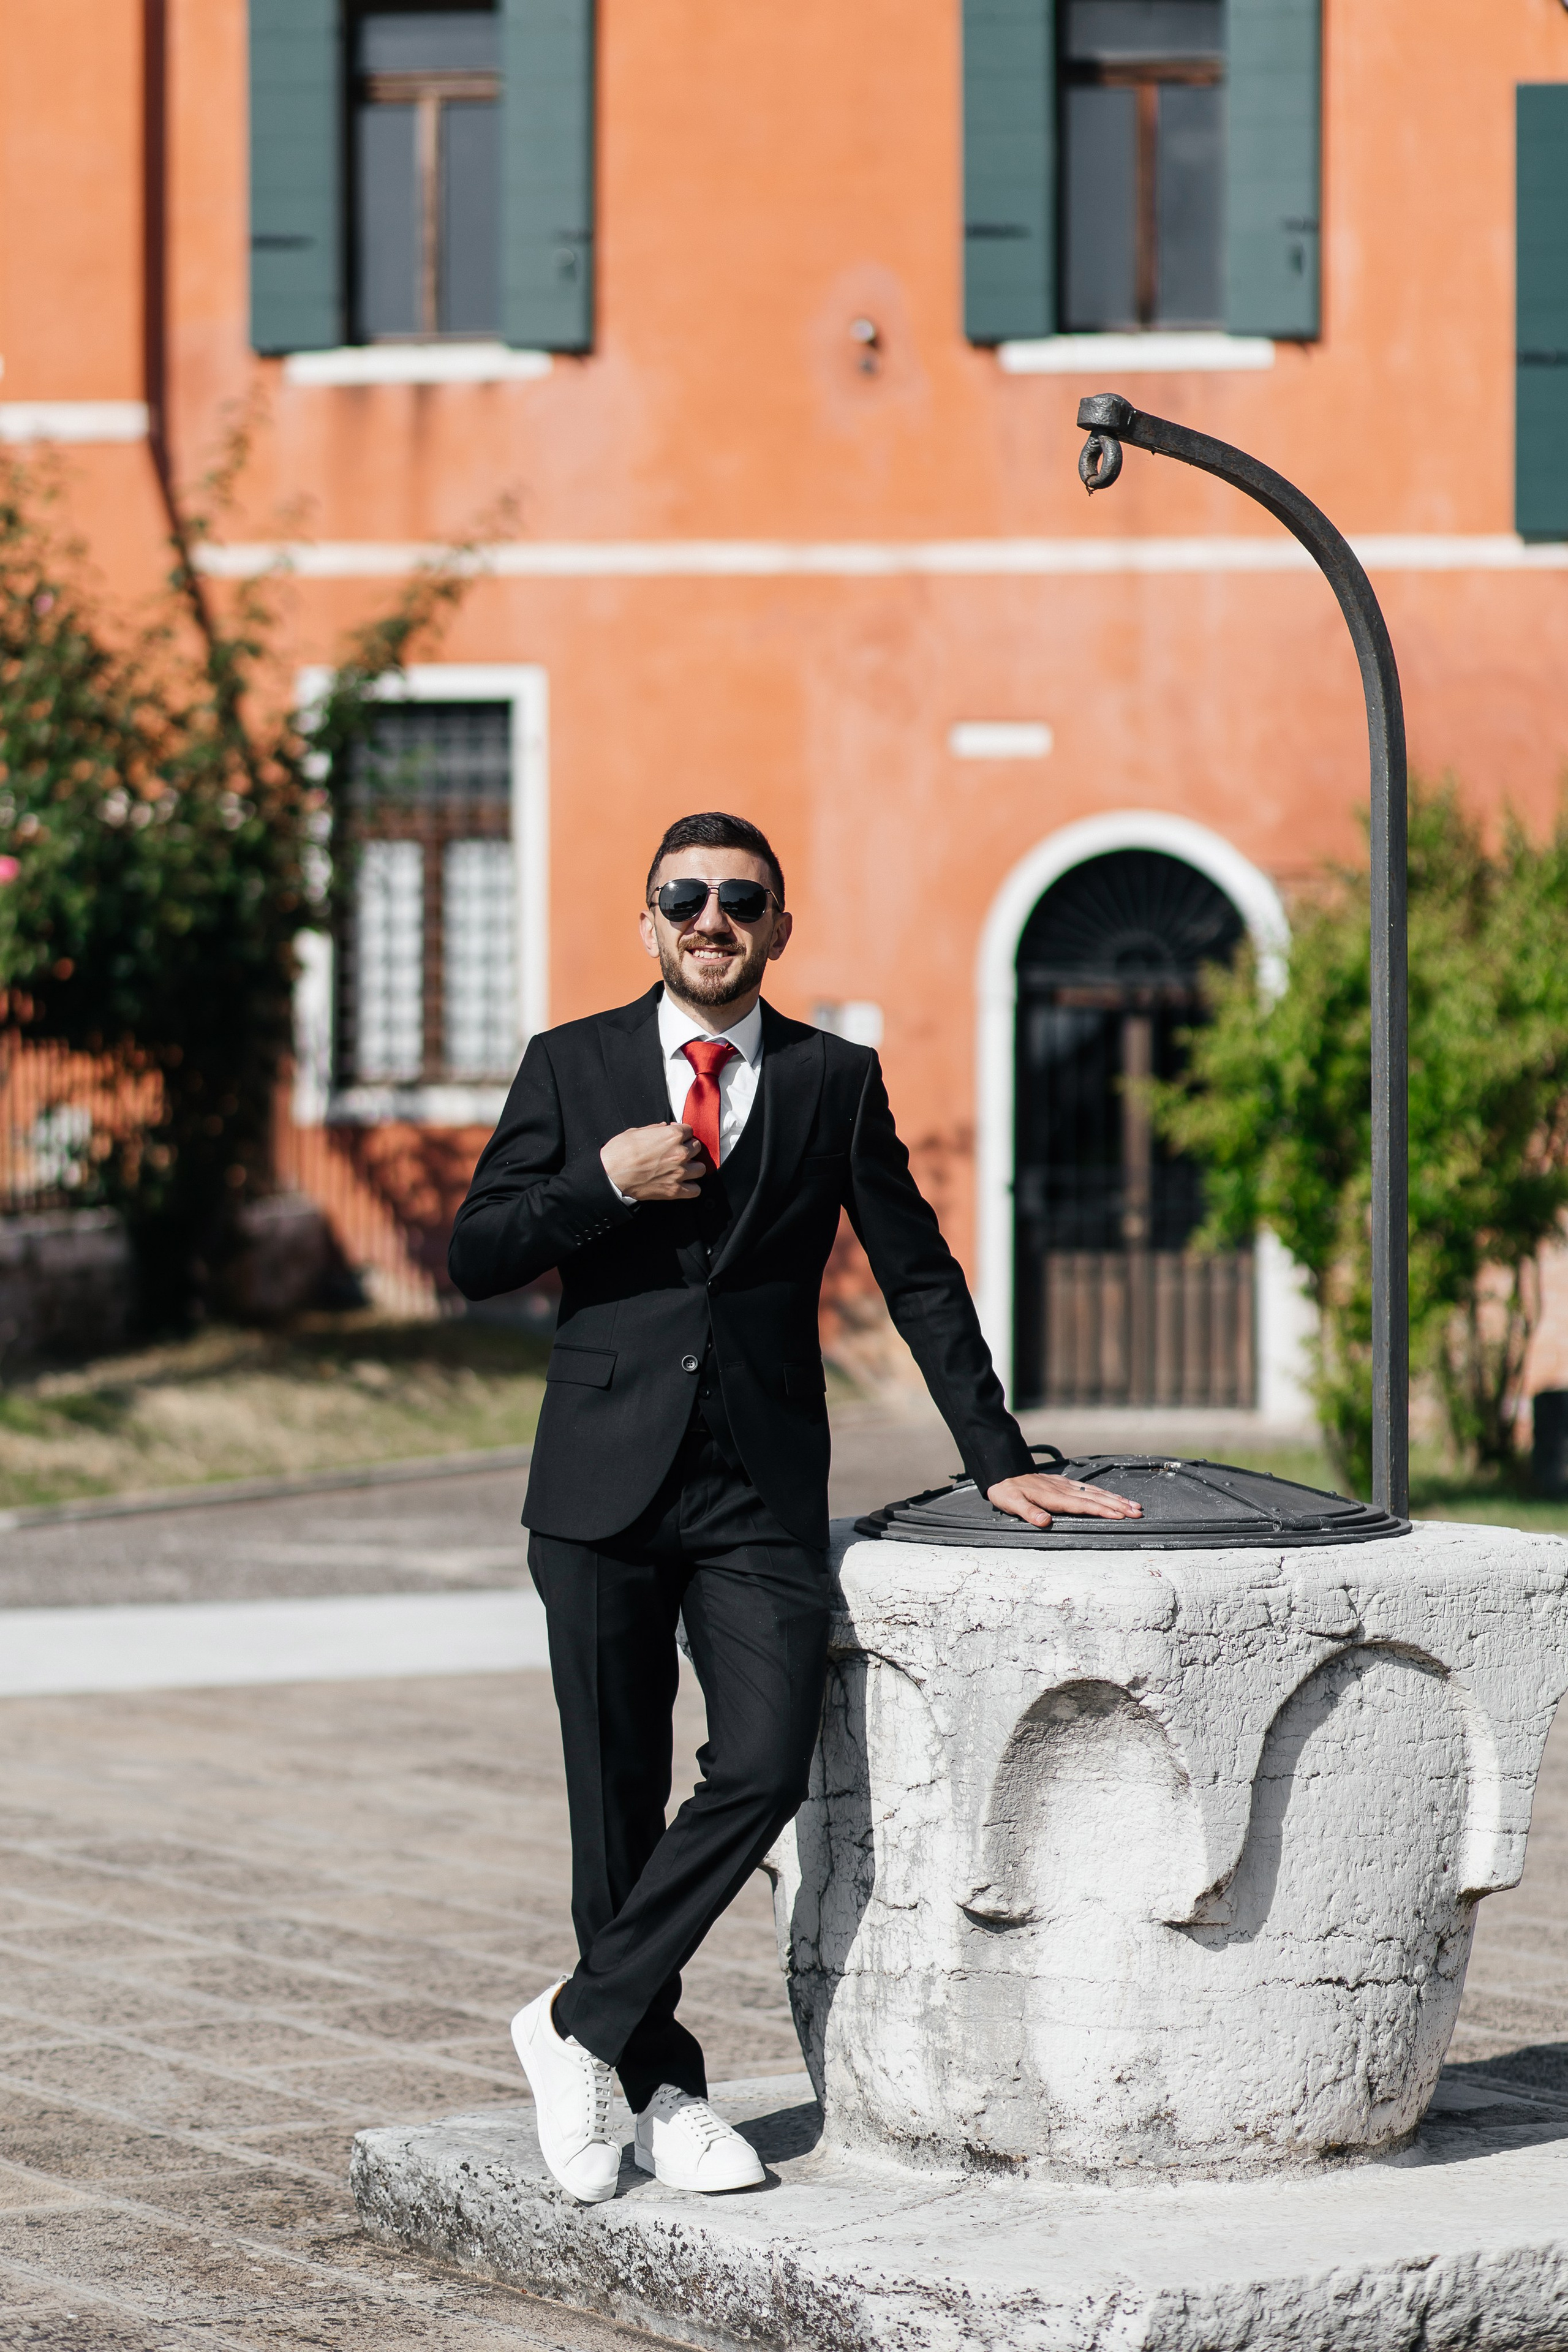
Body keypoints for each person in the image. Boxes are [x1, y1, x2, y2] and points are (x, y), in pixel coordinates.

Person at [448, 810, 1140, 2203]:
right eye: (684, 898)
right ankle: (660, 2086)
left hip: (755, 1493)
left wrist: (991, 1449)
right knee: (614, 1813)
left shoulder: (832, 1081)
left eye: (739, 900)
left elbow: (918, 1269)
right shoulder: (568, 1066)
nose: (711, 919)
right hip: (596, 1488)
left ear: (776, 926)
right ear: (645, 922)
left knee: (760, 1766)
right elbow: (475, 1251)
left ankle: (573, 2023)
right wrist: (599, 1183)